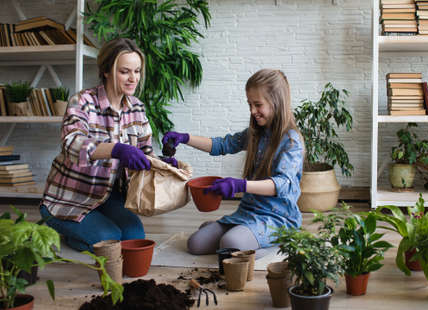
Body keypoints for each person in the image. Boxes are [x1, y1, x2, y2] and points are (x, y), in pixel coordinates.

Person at [39, 38, 168, 252]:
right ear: (106, 70)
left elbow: (145, 151)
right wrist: (116, 149)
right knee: (109, 239)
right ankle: (67, 231)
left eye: (137, 71)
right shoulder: (82, 102)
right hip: (69, 199)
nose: (133, 78)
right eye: (125, 71)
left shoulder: (137, 107)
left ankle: (86, 233)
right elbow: (72, 143)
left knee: (134, 237)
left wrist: (162, 163)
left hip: (107, 196)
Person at [163, 69, 304, 257]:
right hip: (247, 213)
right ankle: (237, 236)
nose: (252, 111)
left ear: (276, 102)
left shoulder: (291, 141)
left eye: (258, 104)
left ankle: (278, 244)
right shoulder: (256, 133)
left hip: (277, 218)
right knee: (195, 244)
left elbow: (283, 184)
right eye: (250, 104)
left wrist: (240, 185)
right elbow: (222, 145)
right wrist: (185, 138)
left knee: (230, 244)